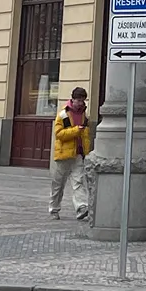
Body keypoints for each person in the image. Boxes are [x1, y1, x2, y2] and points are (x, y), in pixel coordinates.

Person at [49, 87, 93, 221]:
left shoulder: (85, 114)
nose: (80, 103)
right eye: (78, 100)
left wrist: (86, 150)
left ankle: (81, 208)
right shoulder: (63, 114)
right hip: (64, 154)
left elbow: (86, 134)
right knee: (58, 184)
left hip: (78, 154)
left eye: (82, 100)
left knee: (78, 181)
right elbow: (59, 134)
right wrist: (75, 131)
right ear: (72, 99)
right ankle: (54, 209)